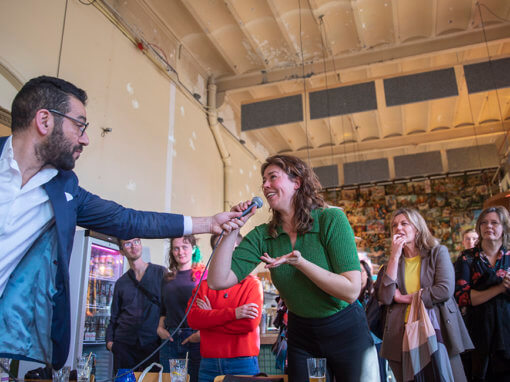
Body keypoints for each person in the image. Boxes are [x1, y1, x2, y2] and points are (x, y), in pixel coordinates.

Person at [0, 76, 244, 369]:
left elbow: (129, 220)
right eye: (80, 125)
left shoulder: (65, 189)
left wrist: (208, 223)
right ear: (44, 120)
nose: (86, 138)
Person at [206, 154, 379, 382]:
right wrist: (231, 230)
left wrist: (302, 263)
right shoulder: (264, 236)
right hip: (302, 334)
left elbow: (350, 290)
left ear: (297, 182)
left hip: (346, 331)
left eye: (273, 177)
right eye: (264, 180)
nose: (265, 185)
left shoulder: (331, 219)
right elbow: (217, 280)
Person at [377, 208, 473, 382]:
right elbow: (385, 297)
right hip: (401, 335)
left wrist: (404, 298)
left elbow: (444, 290)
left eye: (404, 223)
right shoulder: (392, 263)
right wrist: (394, 256)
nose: (398, 228)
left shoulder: (437, 252)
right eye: (394, 225)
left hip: (438, 330)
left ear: (417, 229)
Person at [455, 206, 510, 381]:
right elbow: (463, 297)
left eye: (494, 222)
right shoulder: (467, 258)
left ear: (504, 227)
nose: (489, 227)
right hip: (478, 332)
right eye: (484, 223)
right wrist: (500, 288)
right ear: (479, 228)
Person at [105, 238, 166, 375]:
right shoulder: (121, 282)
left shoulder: (160, 273)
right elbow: (114, 316)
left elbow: (167, 308)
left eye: (137, 241)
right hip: (124, 344)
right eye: (128, 244)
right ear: (121, 251)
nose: (134, 246)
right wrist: (110, 342)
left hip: (153, 344)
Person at [186, 275, 263, 381]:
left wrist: (210, 317)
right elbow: (192, 319)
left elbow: (249, 324)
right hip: (208, 364)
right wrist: (234, 314)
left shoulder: (252, 284)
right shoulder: (204, 285)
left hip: (242, 364)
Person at [157, 235, 205, 382]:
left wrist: (201, 334)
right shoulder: (167, 278)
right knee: (170, 380)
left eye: (185, 247)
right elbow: (163, 309)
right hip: (170, 338)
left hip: (195, 338)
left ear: (193, 249)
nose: (180, 251)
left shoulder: (203, 275)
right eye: (176, 248)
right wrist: (159, 329)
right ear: (172, 252)